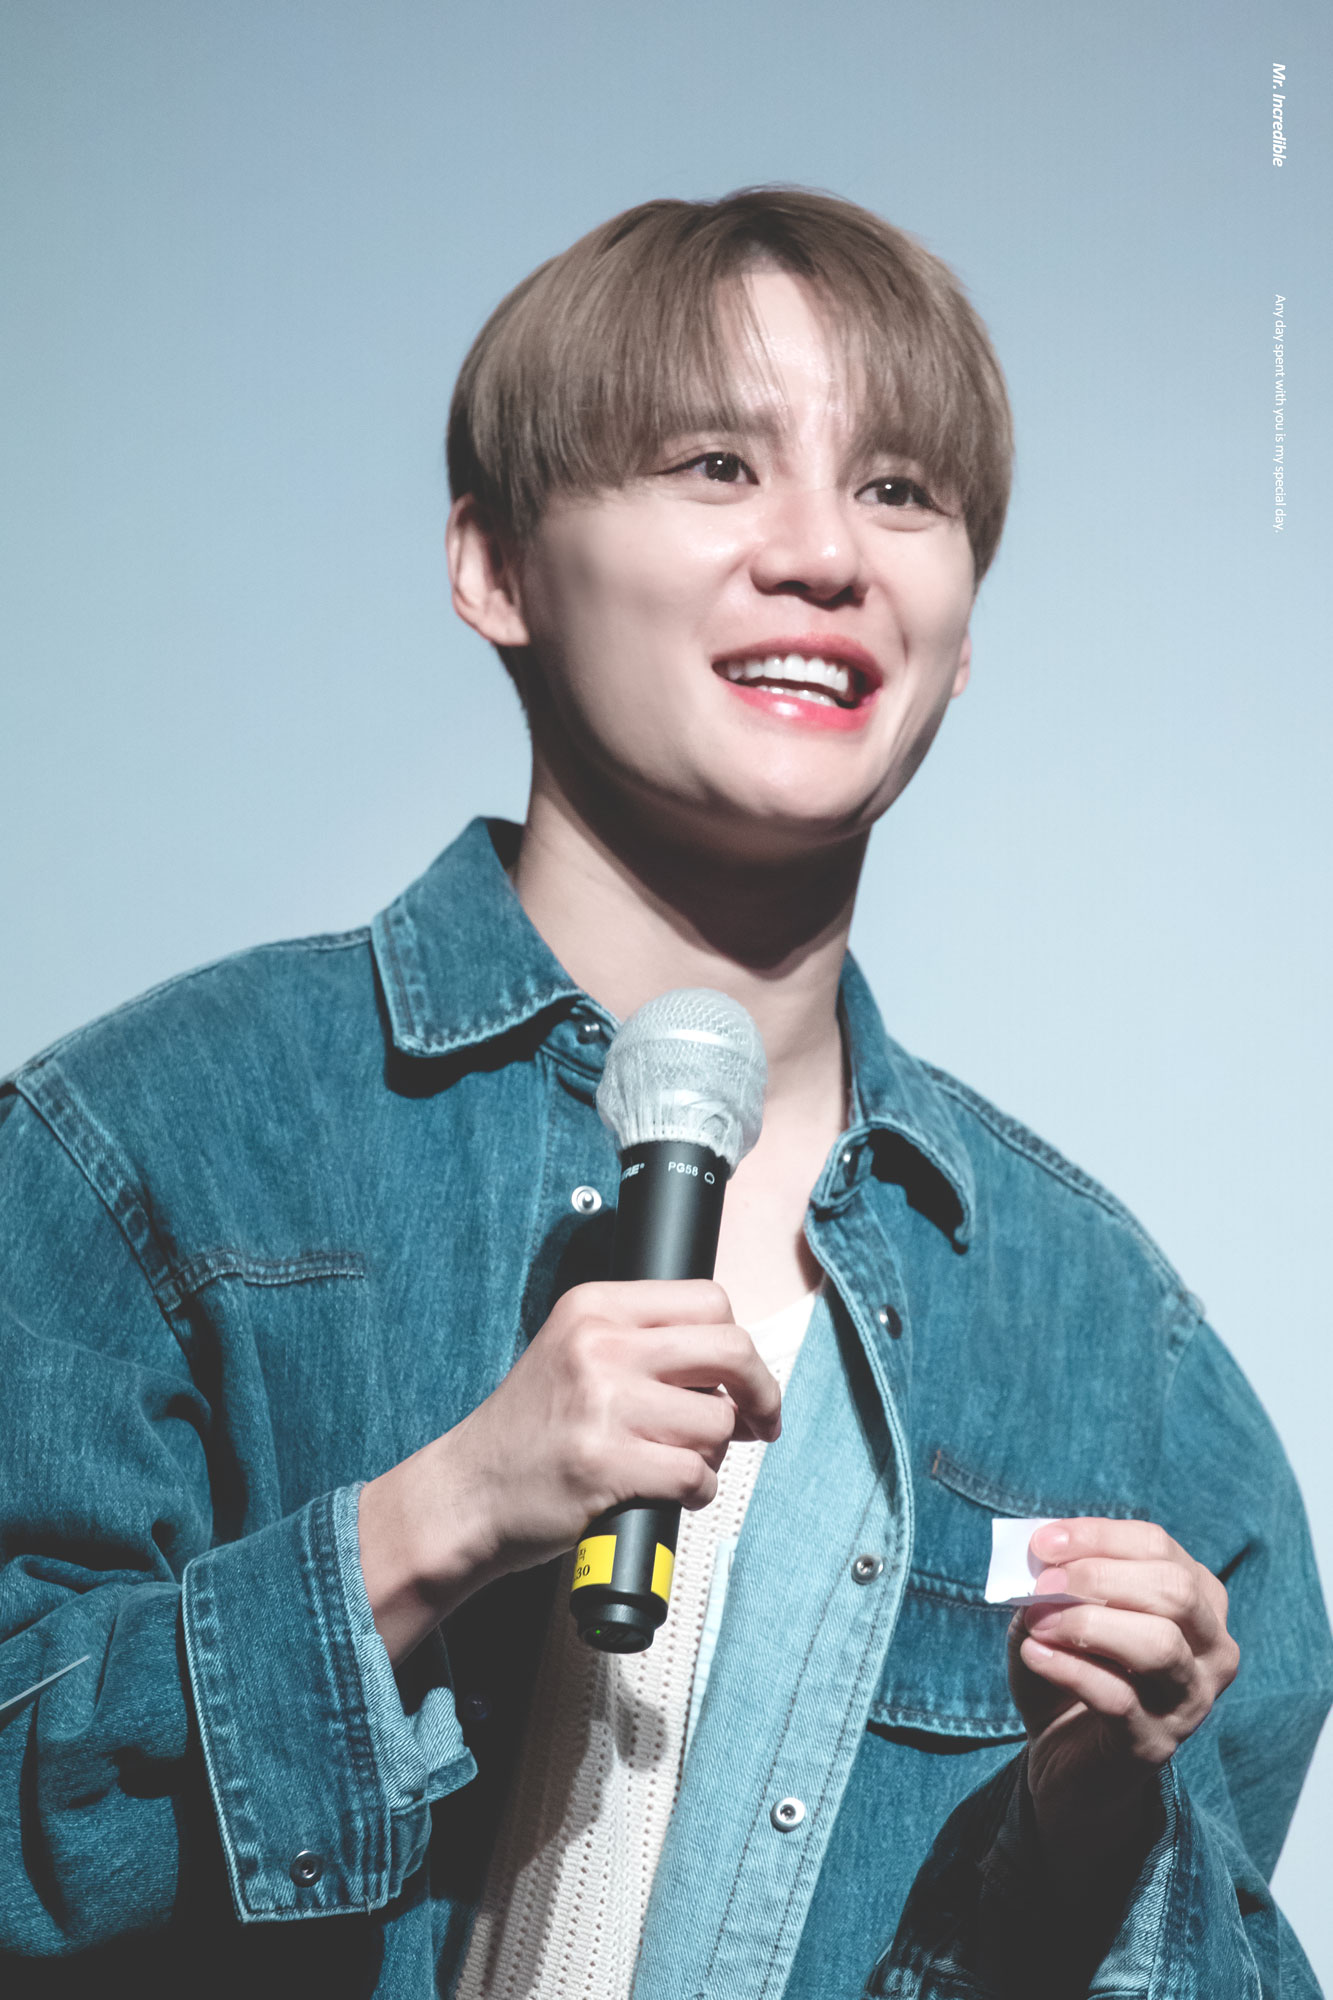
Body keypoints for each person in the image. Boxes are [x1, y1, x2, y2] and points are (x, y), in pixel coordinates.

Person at [0, 188, 1327, 2000]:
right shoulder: (163, 1144)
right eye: (716, 465)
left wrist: (1095, 1836)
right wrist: (430, 1525)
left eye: (899, 491)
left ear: (960, 631)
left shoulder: (1117, 1352)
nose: (825, 555)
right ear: (496, 568)